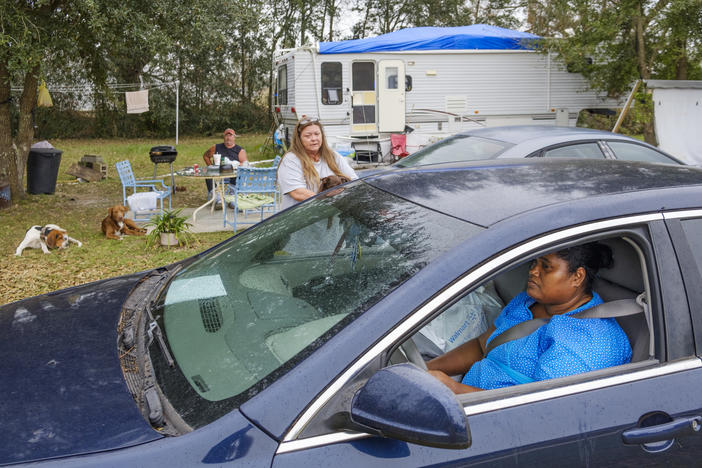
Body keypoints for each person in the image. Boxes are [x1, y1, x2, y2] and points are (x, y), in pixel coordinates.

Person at [427, 243, 632, 394]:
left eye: (546, 267)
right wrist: (426, 370)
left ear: (577, 277)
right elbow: (483, 347)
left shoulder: (587, 342)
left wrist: (453, 389)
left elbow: (533, 412)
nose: (533, 271)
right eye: (535, 262)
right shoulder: (528, 301)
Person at [277, 116, 358, 210]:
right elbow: (297, 193)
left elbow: (354, 180)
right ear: (299, 139)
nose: (313, 138)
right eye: (308, 136)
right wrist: (326, 200)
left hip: (330, 218)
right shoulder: (291, 160)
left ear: (322, 136)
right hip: (301, 221)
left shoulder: (333, 156)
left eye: (317, 134)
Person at [202, 128, 248, 197]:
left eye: (230, 136)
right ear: (224, 137)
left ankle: (233, 194)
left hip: (233, 175)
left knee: (239, 175)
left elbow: (245, 164)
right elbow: (205, 156)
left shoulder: (240, 150)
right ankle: (216, 196)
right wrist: (211, 166)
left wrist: (234, 164)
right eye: (227, 135)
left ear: (234, 137)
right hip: (218, 173)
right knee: (208, 175)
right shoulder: (216, 147)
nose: (228, 138)